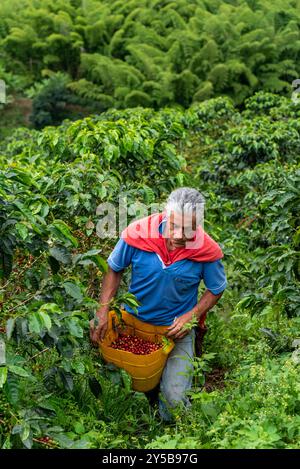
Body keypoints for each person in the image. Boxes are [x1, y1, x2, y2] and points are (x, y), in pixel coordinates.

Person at [90, 187, 227, 421]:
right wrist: (102, 309)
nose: (178, 236)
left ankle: (181, 436)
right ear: (165, 215)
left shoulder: (206, 249)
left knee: (173, 400)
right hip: (133, 324)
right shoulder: (138, 234)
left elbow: (216, 288)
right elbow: (115, 268)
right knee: (129, 385)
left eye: (188, 229)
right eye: (173, 226)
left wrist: (191, 316)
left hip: (175, 332)